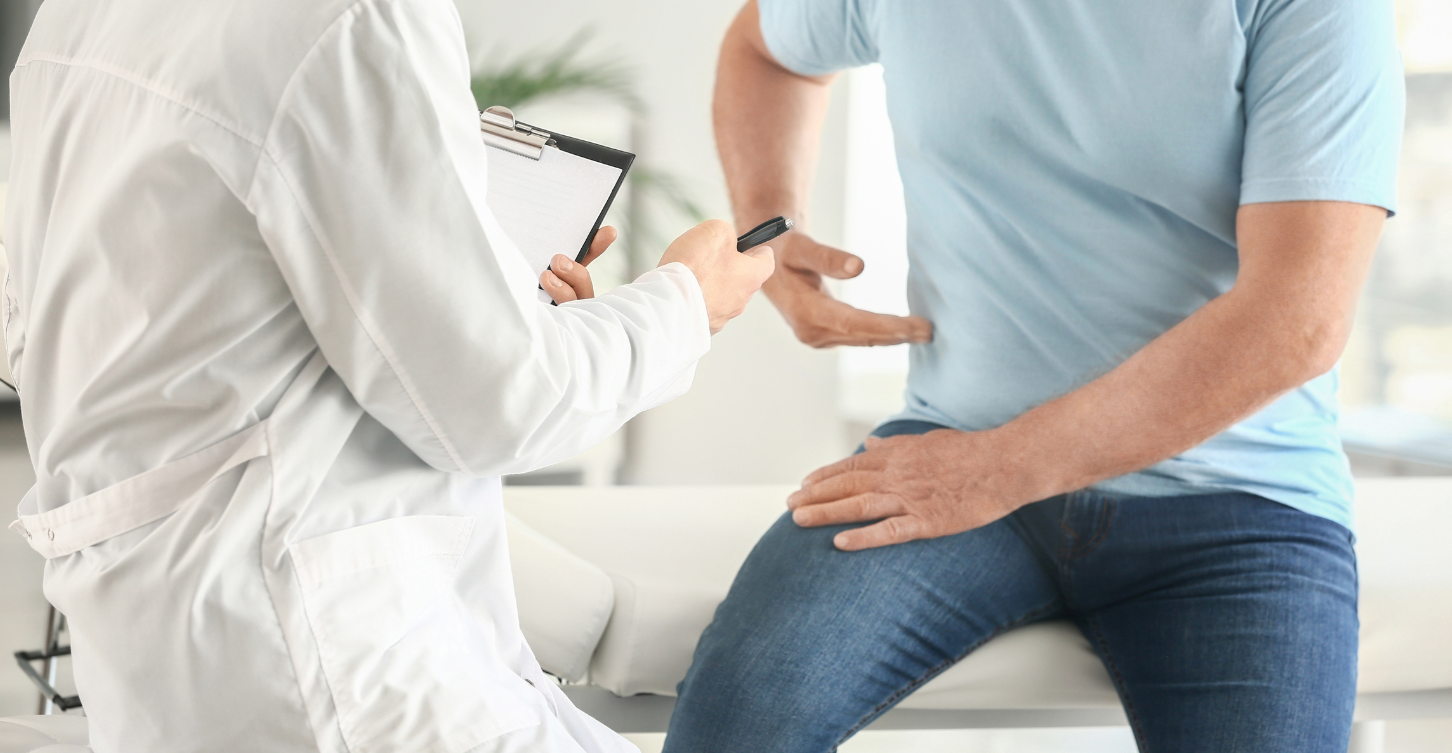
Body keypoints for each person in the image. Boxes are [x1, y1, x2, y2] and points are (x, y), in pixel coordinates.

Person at [3, 0, 773, 751]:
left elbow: (41, 337)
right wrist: (684, 302)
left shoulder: (68, 18)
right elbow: (502, 401)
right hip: (327, 664)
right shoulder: (355, 17)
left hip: (151, 667)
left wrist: (467, 270)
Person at [666, 0, 1403, 751]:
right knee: (735, 726)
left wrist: (995, 469)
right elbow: (766, 48)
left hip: (1236, 499)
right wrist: (771, 231)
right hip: (953, 448)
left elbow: (1295, 321)